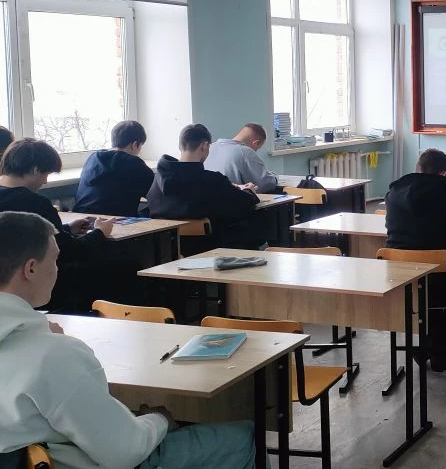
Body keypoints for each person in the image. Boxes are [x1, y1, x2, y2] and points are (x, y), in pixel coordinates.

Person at [0, 212, 263, 469]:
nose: (57, 269)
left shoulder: (39, 345)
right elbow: (125, 453)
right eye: (55, 260)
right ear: (31, 269)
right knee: (243, 437)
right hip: (84, 460)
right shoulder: (53, 355)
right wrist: (160, 418)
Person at [0, 139, 140, 313]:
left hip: (7, 279)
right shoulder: (36, 203)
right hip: (43, 280)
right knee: (128, 267)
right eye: (46, 174)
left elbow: (17, 233)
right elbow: (69, 251)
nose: (45, 182)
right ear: (35, 169)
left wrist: (66, 229)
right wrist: (99, 232)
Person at [385, 149, 446, 371]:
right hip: (437, 282)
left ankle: (433, 348)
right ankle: (437, 348)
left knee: (434, 290)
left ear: (418, 168)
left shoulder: (393, 193)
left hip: (399, 281)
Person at [147, 124, 264, 250]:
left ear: (180, 146)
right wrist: (249, 191)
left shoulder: (157, 181)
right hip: (212, 250)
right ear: (204, 146)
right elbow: (245, 204)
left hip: (170, 251)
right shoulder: (212, 181)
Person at [73, 120, 154, 217]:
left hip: (81, 219)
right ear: (135, 144)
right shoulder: (136, 165)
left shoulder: (93, 158)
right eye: (140, 147)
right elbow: (158, 197)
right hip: (114, 222)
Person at [204, 123, 278, 193]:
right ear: (256, 143)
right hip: (232, 199)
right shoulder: (245, 152)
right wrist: (275, 177)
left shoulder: (210, 147)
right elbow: (264, 184)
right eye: (257, 148)